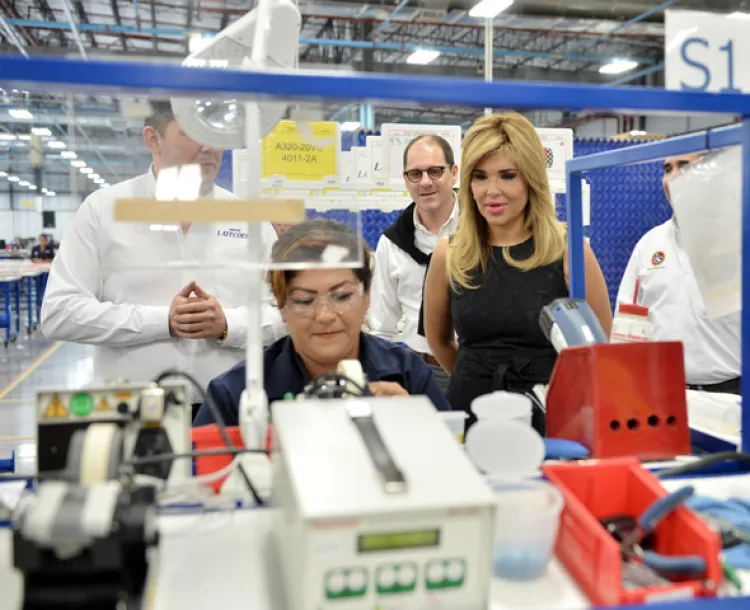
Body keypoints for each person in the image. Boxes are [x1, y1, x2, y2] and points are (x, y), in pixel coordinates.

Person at [41, 101, 285, 414]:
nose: (210, 147)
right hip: (132, 408)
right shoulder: (103, 210)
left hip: (228, 410)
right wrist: (162, 321)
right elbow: (59, 313)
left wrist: (228, 324)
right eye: (193, 134)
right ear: (153, 139)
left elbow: (284, 313)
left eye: (217, 135)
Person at [424, 112, 612, 433]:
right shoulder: (450, 253)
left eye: (507, 175)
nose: (491, 191)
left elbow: (600, 345)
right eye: (480, 176)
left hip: (549, 417)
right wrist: (475, 376)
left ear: (531, 178)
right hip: (472, 413)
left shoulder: (569, 250)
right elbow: (438, 340)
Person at [193, 219, 450, 426]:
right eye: (305, 300)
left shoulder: (409, 376)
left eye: (341, 296)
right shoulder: (234, 394)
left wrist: (417, 427)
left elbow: (451, 471)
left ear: (366, 296)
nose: (325, 315)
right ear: (281, 307)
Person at [616, 154, 740, 394]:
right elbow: (627, 324)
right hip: (661, 393)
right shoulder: (649, 245)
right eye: (667, 169)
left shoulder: (737, 242)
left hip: (731, 396)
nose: (671, 178)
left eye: (684, 166)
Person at [368, 135, 458, 394]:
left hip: (477, 365)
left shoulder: (482, 229)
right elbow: (382, 324)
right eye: (415, 174)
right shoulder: (392, 242)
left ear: (453, 173)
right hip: (421, 369)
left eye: (435, 171)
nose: (426, 182)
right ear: (406, 180)